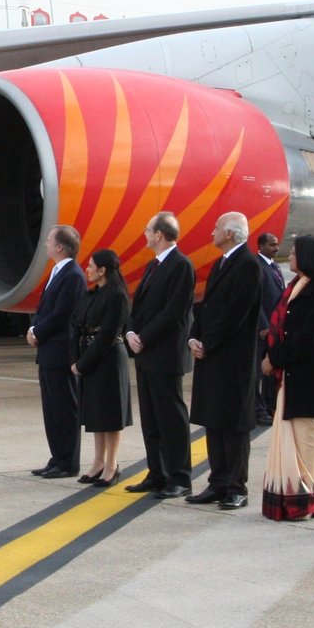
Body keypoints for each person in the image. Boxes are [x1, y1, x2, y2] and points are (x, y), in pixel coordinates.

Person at [186, 213, 265, 509]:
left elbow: (236, 313)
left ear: (230, 233)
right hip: (213, 356)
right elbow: (206, 307)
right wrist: (195, 336)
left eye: (217, 228)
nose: (212, 232)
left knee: (233, 424)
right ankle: (217, 482)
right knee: (214, 420)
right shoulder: (222, 262)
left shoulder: (247, 265)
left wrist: (208, 341)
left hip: (233, 358)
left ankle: (236, 486)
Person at [263, 234, 314, 514]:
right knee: (290, 441)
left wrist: (274, 358)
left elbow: (307, 339)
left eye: (295, 253)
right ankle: (287, 500)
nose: (290, 256)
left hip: (310, 381)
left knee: (308, 445)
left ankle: (306, 502)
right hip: (291, 380)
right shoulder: (295, 287)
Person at [125, 211, 196, 500]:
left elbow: (174, 312)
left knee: (171, 418)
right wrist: (130, 331)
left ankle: (179, 477)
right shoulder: (154, 266)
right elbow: (139, 306)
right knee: (151, 417)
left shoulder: (180, 265)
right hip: (146, 354)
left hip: (165, 354)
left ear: (159, 235)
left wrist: (144, 337)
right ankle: (157, 472)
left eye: (148, 230)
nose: (144, 234)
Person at [26, 225, 87, 479]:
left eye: (50, 240)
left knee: (64, 407)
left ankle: (68, 462)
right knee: (51, 409)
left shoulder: (73, 274)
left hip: (61, 351)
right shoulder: (57, 271)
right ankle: (57, 457)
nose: (46, 244)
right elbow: (45, 309)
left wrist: (37, 332)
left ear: (60, 247)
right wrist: (33, 327)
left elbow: (62, 314)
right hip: (49, 351)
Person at [71, 248, 132, 486]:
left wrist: (82, 364)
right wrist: (77, 359)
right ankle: (97, 462)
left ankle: (111, 464)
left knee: (110, 415)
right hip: (91, 357)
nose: (87, 269)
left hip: (108, 360)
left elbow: (107, 335)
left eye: (91, 265)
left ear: (103, 270)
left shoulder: (116, 295)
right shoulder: (95, 293)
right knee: (96, 414)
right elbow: (80, 325)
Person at [254, 231, 287, 425]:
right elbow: (255, 299)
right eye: (272, 244)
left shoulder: (274, 266)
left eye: (276, 244)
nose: (276, 248)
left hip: (275, 328)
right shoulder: (257, 267)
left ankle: (268, 406)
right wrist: (264, 325)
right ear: (261, 246)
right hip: (264, 330)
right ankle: (258, 410)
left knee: (270, 369)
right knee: (258, 372)